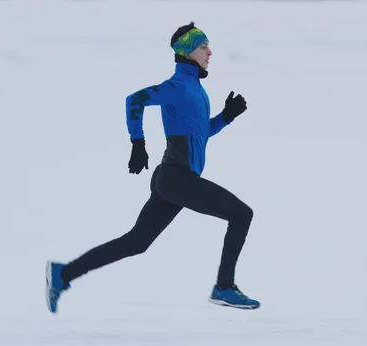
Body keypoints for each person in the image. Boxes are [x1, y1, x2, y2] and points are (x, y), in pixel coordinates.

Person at [46, 22, 259, 313]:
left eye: (208, 44)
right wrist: (138, 143)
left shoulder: (195, 89)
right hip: (177, 178)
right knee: (241, 214)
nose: (210, 51)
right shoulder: (177, 86)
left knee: (136, 242)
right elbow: (134, 100)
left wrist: (226, 117)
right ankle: (223, 287)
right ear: (187, 52)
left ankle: (63, 274)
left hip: (172, 179)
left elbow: (200, 133)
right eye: (203, 46)